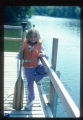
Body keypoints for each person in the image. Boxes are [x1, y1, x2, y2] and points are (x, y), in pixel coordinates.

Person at [17, 27, 48, 109]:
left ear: (38, 37)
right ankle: (31, 100)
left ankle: (36, 78)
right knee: (30, 85)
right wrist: (20, 52)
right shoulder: (25, 45)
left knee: (48, 71)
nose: (33, 38)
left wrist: (44, 54)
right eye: (31, 37)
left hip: (37, 65)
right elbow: (19, 57)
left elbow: (46, 57)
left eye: (35, 37)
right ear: (28, 37)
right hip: (28, 68)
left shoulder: (40, 45)